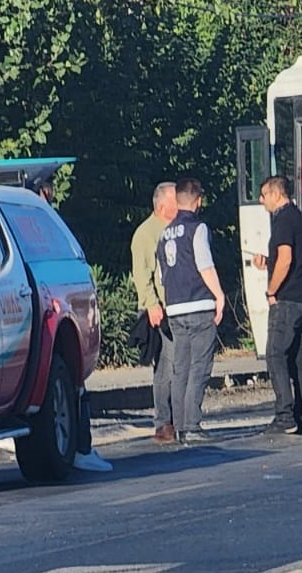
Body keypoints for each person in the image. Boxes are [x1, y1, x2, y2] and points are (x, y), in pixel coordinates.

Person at [22, 171, 113, 473]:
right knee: (72, 384)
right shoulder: (38, 219)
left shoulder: (21, 216)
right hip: (53, 310)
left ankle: (77, 445)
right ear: (44, 192)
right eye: (49, 189)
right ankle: (81, 447)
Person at [156, 178, 225, 445]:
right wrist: (219, 296)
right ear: (197, 201)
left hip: (175, 308)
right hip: (198, 304)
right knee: (200, 367)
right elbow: (204, 265)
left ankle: (181, 425)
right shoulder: (198, 228)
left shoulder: (165, 233)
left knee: (180, 369)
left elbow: (163, 275)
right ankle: (193, 425)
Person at [253, 175, 302, 436]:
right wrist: (268, 262)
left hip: (287, 300)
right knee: (297, 358)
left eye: (264, 195)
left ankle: (284, 416)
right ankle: (301, 418)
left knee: (275, 355)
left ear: (277, 194)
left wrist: (271, 290)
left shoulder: (282, 221)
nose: (261, 200)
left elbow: (287, 259)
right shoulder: (301, 219)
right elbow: (292, 260)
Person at [130, 181, 178, 442]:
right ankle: (163, 422)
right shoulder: (146, 234)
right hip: (159, 309)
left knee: (179, 363)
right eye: (175, 200)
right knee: (165, 367)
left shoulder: (175, 228)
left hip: (178, 305)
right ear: (162, 206)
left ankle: (179, 417)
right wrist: (151, 304)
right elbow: (142, 273)